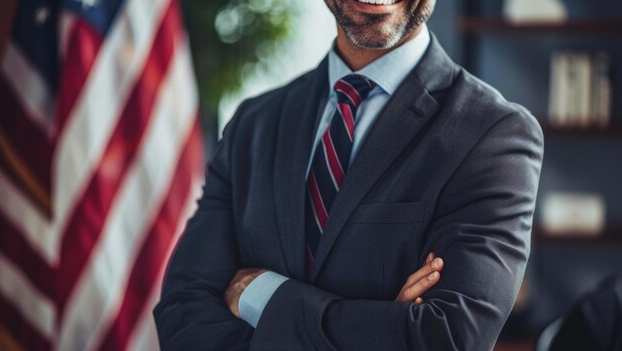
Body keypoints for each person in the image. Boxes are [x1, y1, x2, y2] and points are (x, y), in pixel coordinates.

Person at [153, 0, 544, 349]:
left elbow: (446, 337)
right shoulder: (252, 125)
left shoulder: (494, 135)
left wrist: (260, 293)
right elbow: (181, 310)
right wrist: (379, 326)